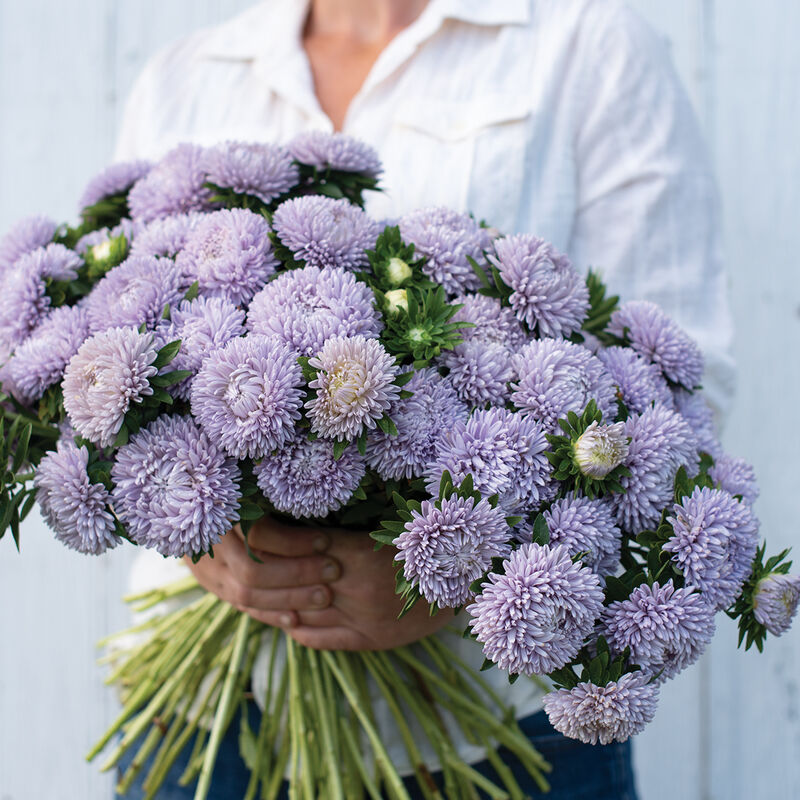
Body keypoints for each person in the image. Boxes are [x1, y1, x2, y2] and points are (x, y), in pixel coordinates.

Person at [113, 0, 735, 796]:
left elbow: (687, 379)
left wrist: (457, 581)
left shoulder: (589, 44)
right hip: (202, 729)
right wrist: (200, 534)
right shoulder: (184, 75)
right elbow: (118, 331)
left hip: (492, 734)